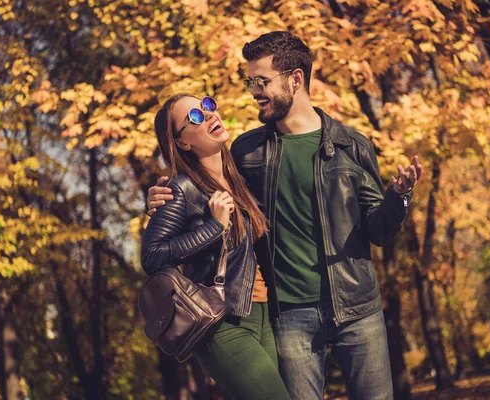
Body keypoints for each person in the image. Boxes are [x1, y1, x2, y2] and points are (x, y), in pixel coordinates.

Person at [147, 32, 422, 400]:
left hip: (358, 307)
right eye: (250, 82)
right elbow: (195, 189)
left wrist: (399, 198)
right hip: (290, 314)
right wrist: (159, 198)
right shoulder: (247, 149)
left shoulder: (352, 145)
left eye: (261, 81)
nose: (253, 91)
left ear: (295, 79)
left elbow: (378, 230)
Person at [141, 93, 290, 400]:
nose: (209, 115)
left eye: (207, 106)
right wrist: (214, 227)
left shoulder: (237, 178)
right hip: (223, 324)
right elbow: (152, 256)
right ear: (182, 143)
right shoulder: (180, 188)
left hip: (259, 313)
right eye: (195, 117)